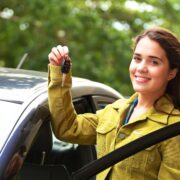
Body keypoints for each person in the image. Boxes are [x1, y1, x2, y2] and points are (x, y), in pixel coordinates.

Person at [48, 27, 180, 179]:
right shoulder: (114, 111)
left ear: (172, 72)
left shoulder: (174, 128)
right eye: (137, 58)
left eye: (154, 62)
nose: (141, 68)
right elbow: (68, 128)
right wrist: (60, 72)